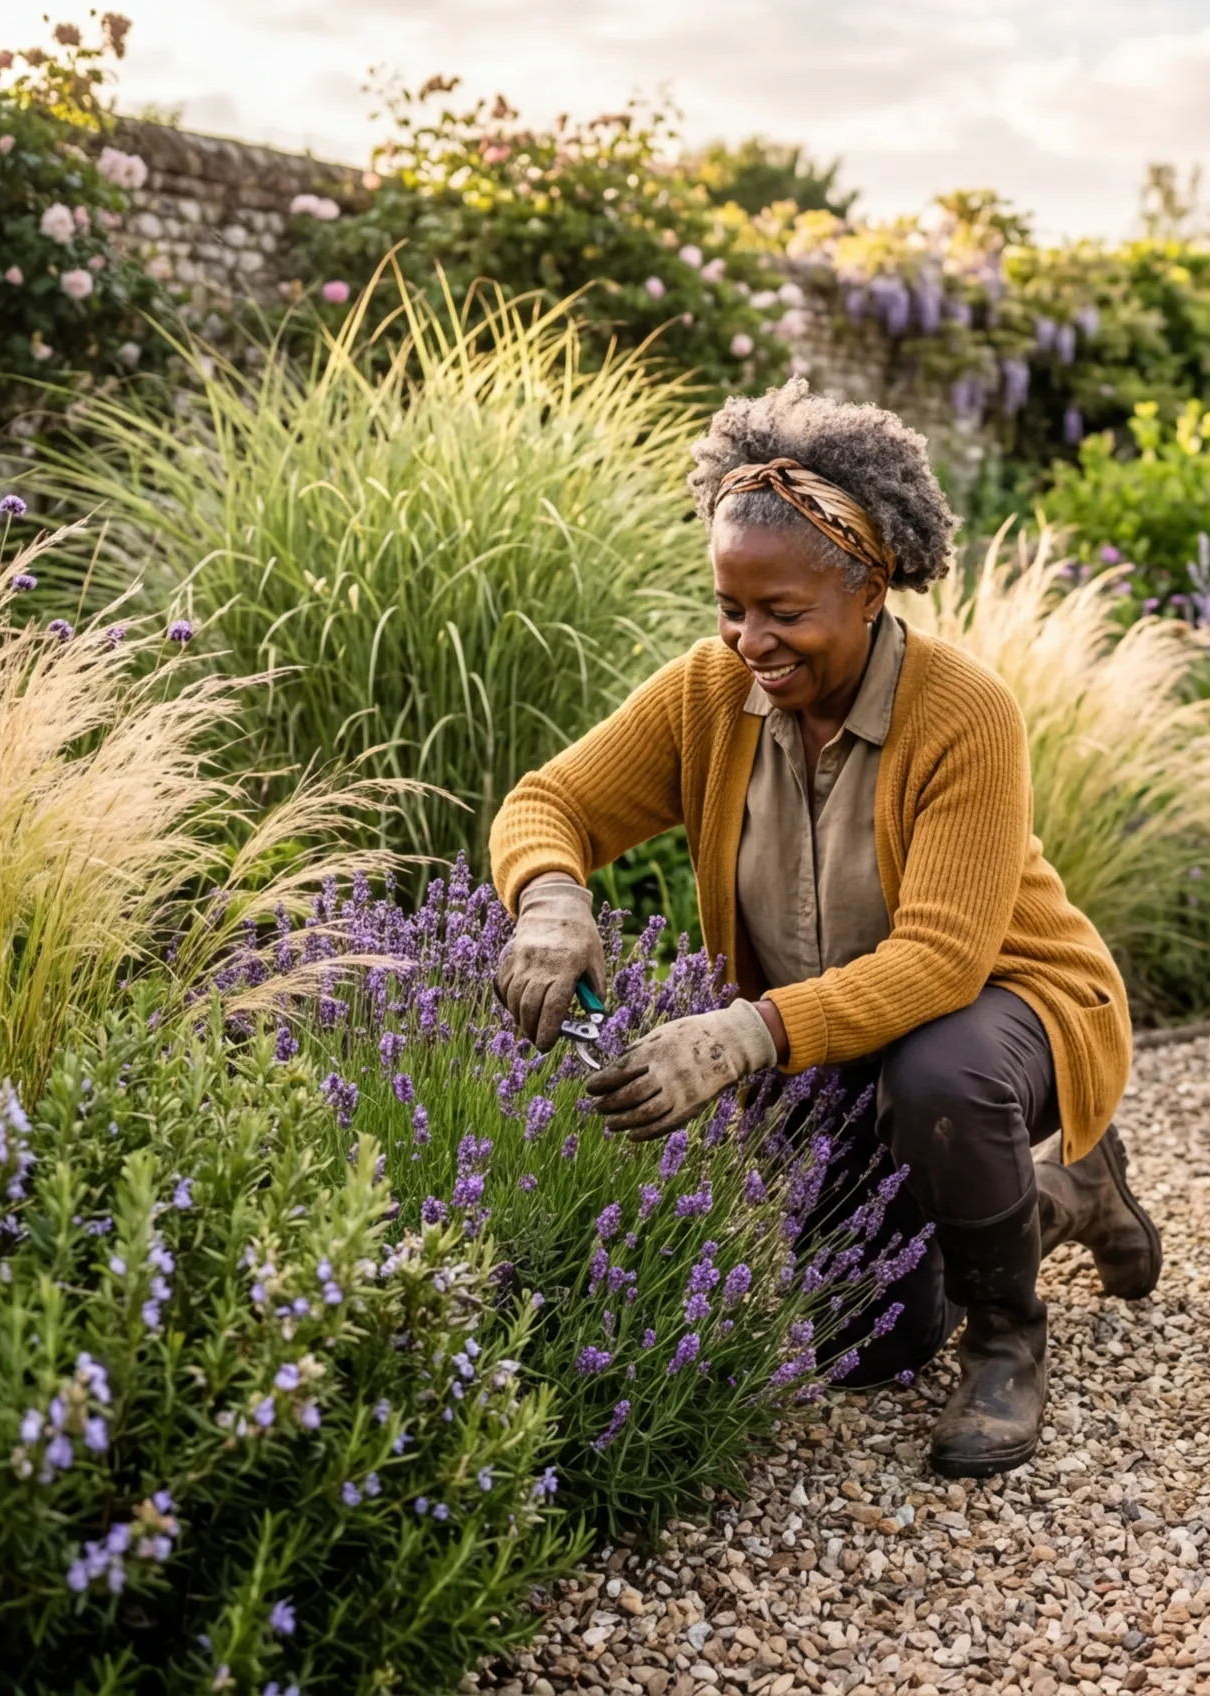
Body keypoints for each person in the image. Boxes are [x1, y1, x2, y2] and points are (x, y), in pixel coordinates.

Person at [490, 378, 1161, 1477]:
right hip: (829, 1038)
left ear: (870, 587)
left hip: (1007, 1007)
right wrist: (553, 902)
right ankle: (1061, 1190)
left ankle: (1005, 1338)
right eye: (729, 606)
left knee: (941, 1080)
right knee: (869, 1341)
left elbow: (940, 964)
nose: (748, 639)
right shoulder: (706, 695)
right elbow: (543, 803)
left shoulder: (961, 709)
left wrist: (734, 1037)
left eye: (783, 611)